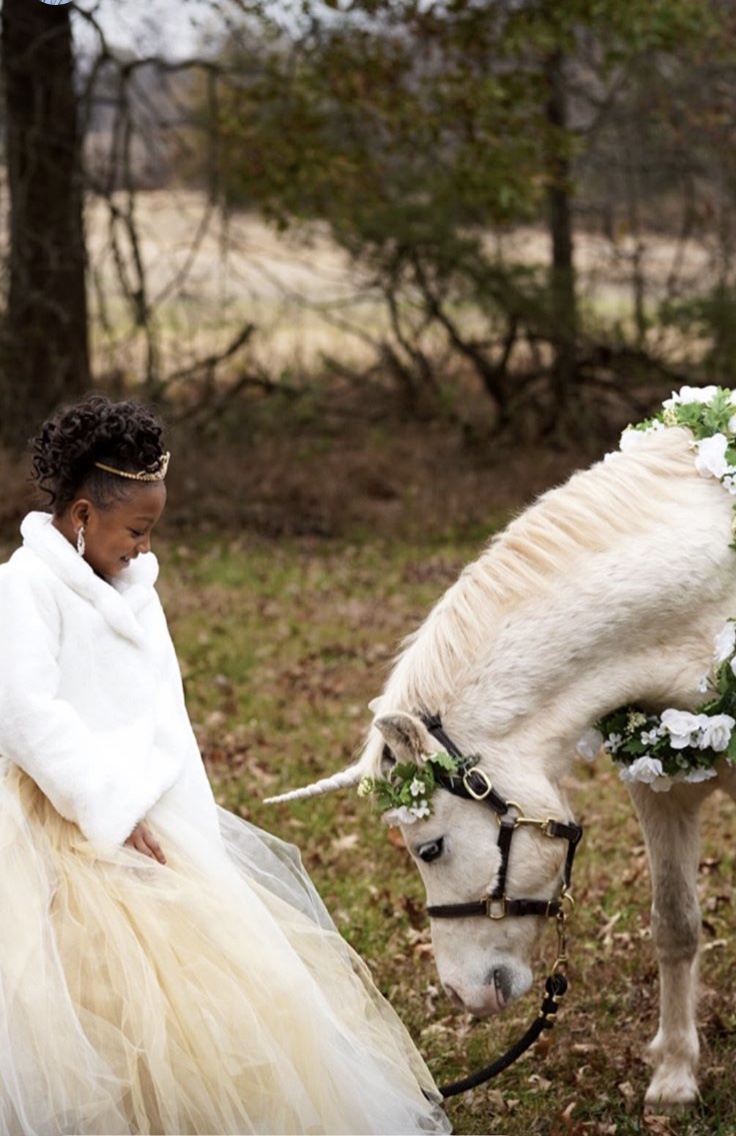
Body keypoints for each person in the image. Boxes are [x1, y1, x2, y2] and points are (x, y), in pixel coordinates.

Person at [0, 393, 450, 1136]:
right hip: (61, 822)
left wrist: (193, 828)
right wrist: (109, 809)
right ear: (83, 517)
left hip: (151, 814)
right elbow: (25, 713)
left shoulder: (136, 591)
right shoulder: (25, 588)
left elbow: (165, 717)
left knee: (199, 998)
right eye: (135, 531)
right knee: (84, 1001)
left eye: (152, 532)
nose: (145, 548)